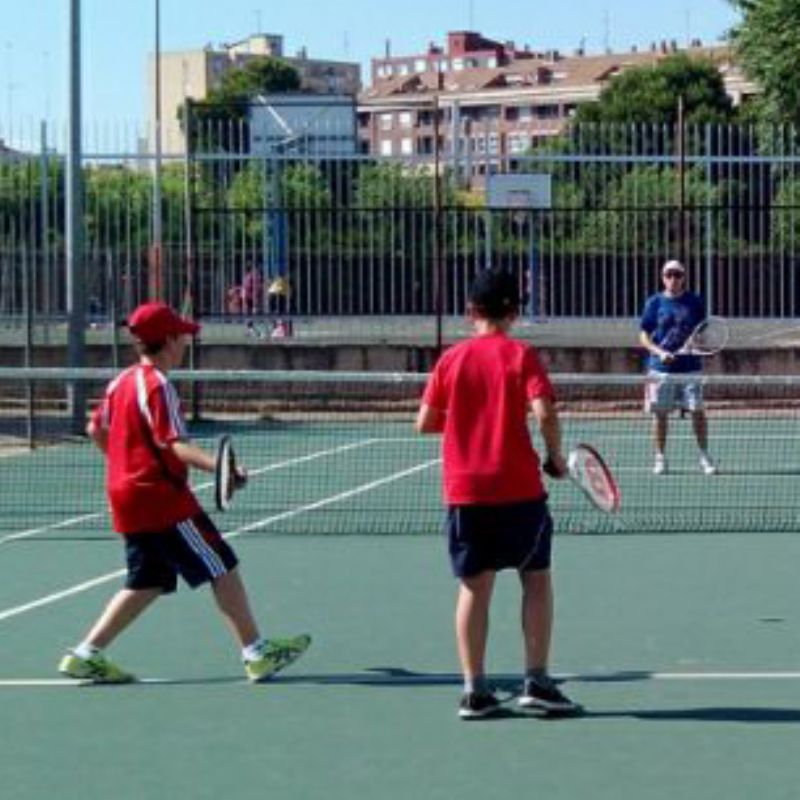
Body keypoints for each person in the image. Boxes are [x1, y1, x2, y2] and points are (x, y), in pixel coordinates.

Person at [58, 301, 310, 684]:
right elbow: (176, 445)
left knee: (147, 580)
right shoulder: (158, 387)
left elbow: (96, 430)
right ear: (169, 341)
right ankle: (256, 652)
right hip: (161, 500)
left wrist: (124, 463)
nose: (186, 344)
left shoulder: (120, 381)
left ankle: (85, 654)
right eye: (182, 337)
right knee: (221, 563)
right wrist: (224, 469)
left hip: (124, 496)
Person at [415, 268, 582, 720]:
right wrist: (555, 455)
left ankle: (474, 691)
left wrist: (470, 419)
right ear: (514, 312)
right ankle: (538, 682)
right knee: (537, 578)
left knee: (474, 588)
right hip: (519, 491)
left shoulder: (451, 359)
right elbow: (545, 412)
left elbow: (425, 422)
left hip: (466, 492)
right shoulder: (522, 355)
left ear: (470, 312)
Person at [639, 260, 717, 476]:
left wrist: (696, 342)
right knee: (659, 415)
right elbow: (643, 336)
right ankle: (660, 458)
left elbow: (701, 332)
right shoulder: (654, 303)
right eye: (669, 274)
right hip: (659, 370)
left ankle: (704, 456)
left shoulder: (695, 302)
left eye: (677, 275)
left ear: (684, 277)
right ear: (663, 277)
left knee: (697, 412)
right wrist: (660, 352)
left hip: (690, 368)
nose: (673, 279)